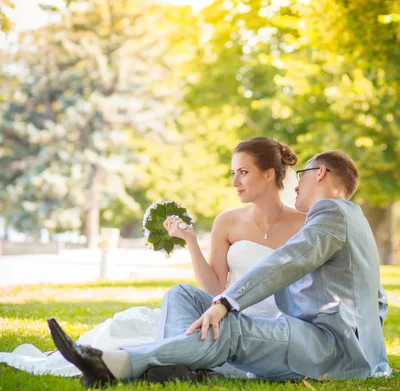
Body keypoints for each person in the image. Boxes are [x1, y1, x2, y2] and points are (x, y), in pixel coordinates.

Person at [48, 149, 392, 387]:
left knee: (227, 327)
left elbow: (289, 261)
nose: (296, 184)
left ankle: (113, 363)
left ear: (321, 173)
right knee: (184, 295)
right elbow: (378, 300)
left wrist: (226, 302)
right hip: (305, 333)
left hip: (325, 346)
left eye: (301, 176)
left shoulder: (331, 211)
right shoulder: (349, 220)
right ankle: (188, 367)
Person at [0, 137, 305, 378]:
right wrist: (189, 241)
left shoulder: (304, 224)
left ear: (268, 174)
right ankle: (180, 362)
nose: (234, 181)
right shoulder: (227, 222)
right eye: (232, 173)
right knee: (144, 316)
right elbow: (214, 292)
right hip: (225, 315)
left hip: (272, 329)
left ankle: (171, 363)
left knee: (146, 335)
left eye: (243, 172)